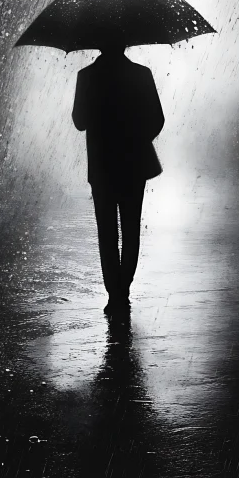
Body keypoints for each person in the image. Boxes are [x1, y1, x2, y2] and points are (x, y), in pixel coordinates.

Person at [72, 41, 164, 313]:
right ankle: (123, 288)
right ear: (126, 42)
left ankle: (115, 292)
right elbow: (157, 119)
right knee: (131, 229)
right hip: (135, 164)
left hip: (101, 165)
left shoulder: (86, 76)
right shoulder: (141, 74)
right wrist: (136, 139)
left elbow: (79, 122)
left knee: (107, 232)